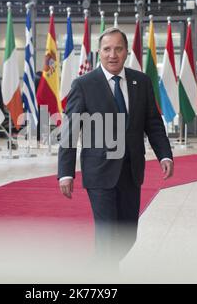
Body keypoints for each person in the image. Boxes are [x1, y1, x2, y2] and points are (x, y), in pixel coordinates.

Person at [58, 28, 174, 265]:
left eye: (118, 49)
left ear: (127, 52)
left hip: (131, 172)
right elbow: (69, 133)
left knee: (127, 237)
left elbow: (152, 122)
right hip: (99, 172)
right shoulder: (83, 84)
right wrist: (66, 173)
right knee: (107, 236)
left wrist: (165, 155)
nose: (113, 55)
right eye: (107, 49)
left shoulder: (141, 82)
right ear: (98, 53)